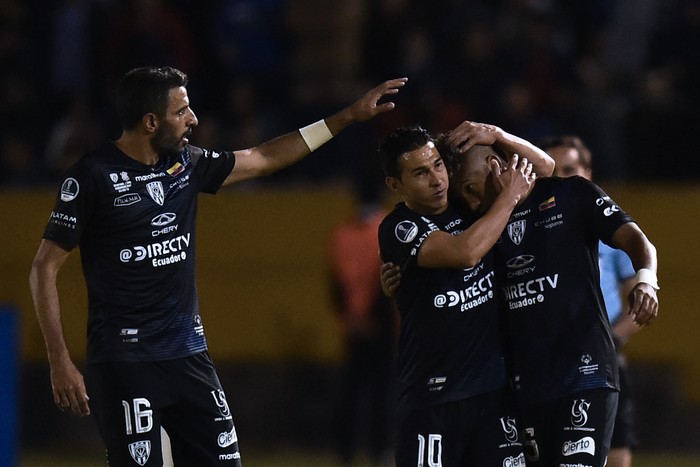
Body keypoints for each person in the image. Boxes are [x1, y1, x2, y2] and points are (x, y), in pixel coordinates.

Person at [28, 65, 407, 466]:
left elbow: (262, 157)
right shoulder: (91, 178)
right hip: (126, 365)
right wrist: (59, 361)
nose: (193, 120)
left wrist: (345, 117)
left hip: (189, 358)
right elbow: (43, 268)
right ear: (150, 121)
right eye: (182, 112)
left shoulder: (187, 165)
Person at [435, 124, 659, 466]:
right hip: (523, 386)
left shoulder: (572, 195)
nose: (470, 201)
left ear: (497, 165)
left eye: (470, 187)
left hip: (586, 375)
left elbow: (638, 241)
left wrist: (646, 279)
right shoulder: (480, 226)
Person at [377, 124, 552, 466]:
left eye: (439, 165)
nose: (437, 179)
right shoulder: (400, 228)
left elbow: (545, 169)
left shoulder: (467, 203)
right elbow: (465, 253)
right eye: (420, 173)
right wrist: (508, 199)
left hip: (492, 394)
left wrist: (497, 136)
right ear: (395, 185)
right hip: (433, 399)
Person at [538, 135, 640, 467]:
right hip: (547, 358)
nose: (563, 179)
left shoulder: (608, 231)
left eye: (570, 169)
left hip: (603, 357)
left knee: (616, 454)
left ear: (587, 173)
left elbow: (638, 296)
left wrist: (611, 339)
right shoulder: (532, 228)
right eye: (553, 171)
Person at [328, 185, 397, 466]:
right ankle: (379, 452)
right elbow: (386, 281)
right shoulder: (384, 228)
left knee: (351, 394)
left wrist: (350, 318)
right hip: (380, 327)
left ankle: (345, 452)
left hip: (352, 329)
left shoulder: (340, 234)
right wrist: (373, 317)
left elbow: (334, 284)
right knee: (382, 395)